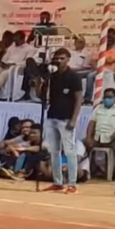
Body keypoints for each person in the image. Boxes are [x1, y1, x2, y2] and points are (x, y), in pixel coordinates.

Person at [41, 48, 83, 194]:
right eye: (57, 58)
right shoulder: (52, 76)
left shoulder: (73, 77)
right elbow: (42, 93)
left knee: (70, 151)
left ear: (68, 59)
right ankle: (57, 182)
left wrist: (73, 119)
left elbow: (78, 99)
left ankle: (72, 183)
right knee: (54, 151)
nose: (59, 61)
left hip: (66, 118)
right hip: (52, 116)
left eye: (62, 58)